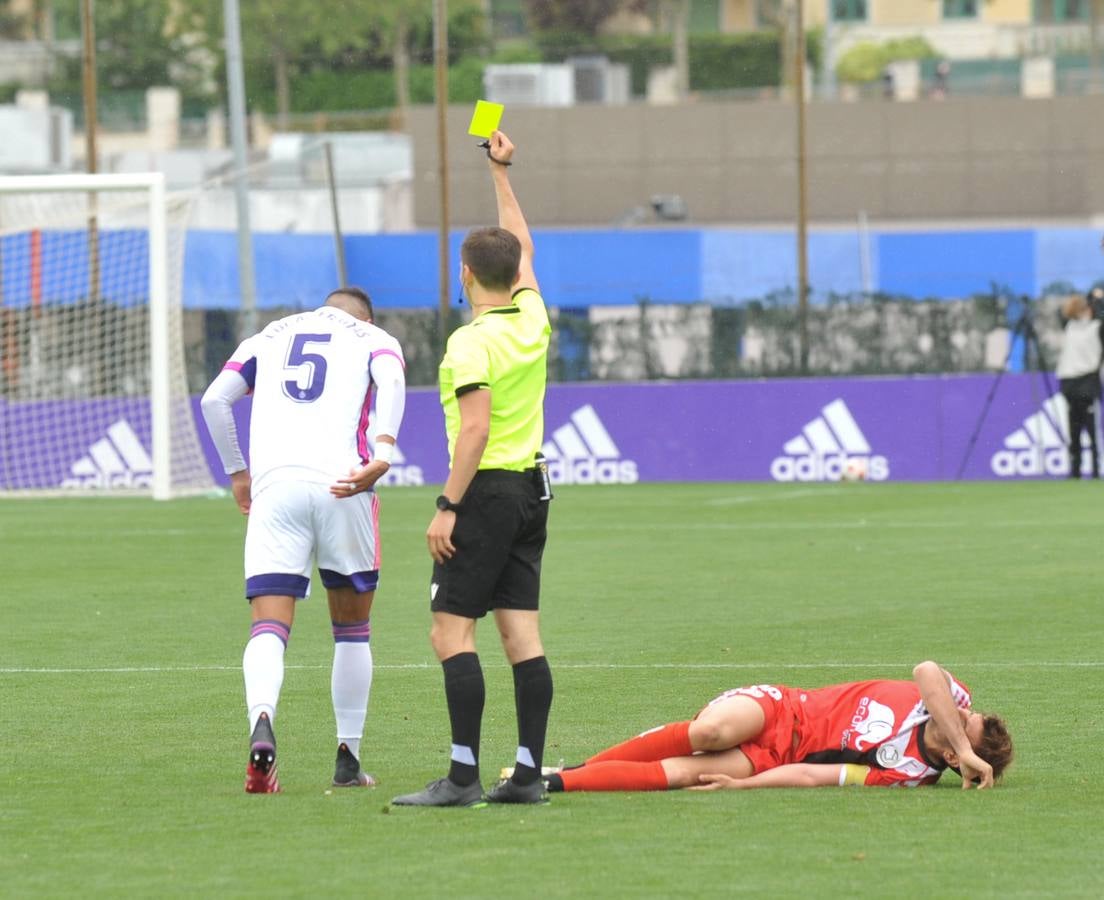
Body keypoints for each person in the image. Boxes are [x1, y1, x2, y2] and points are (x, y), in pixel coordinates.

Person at [391, 130, 554, 808]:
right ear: (513, 274)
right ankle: (526, 775)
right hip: (532, 492)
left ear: (464, 274)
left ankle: (462, 777)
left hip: (483, 496)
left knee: (450, 631)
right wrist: (501, 173)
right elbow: (524, 246)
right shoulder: (532, 317)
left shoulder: (470, 342)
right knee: (522, 635)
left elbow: (476, 429)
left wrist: (447, 505)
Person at [200, 287, 406, 793]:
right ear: (366, 317)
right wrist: (383, 451)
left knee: (268, 626)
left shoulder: (268, 336)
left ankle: (262, 722)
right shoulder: (373, 338)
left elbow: (214, 400)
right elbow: (392, 380)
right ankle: (348, 759)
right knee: (352, 630)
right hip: (345, 485)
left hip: (276, 491)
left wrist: (238, 473)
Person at [541, 661, 1012, 793]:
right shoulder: (952, 697)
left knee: (688, 773)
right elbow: (926, 670)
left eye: (966, 728)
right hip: (783, 708)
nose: (963, 714)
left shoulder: (908, 773)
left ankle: (558, 781)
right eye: (968, 716)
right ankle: (581, 765)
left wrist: (741, 786)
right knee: (710, 733)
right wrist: (965, 745)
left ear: (952, 757)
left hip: (778, 757)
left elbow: (814, 775)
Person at [1056, 292, 1104, 479]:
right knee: (1074, 427)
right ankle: (1075, 468)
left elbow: (1099, 316)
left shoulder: (1097, 326)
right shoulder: (1070, 326)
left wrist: (1096, 301)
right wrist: (1091, 299)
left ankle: (1095, 468)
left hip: (1087, 379)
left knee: (1091, 427)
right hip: (1070, 381)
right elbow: (1062, 313)